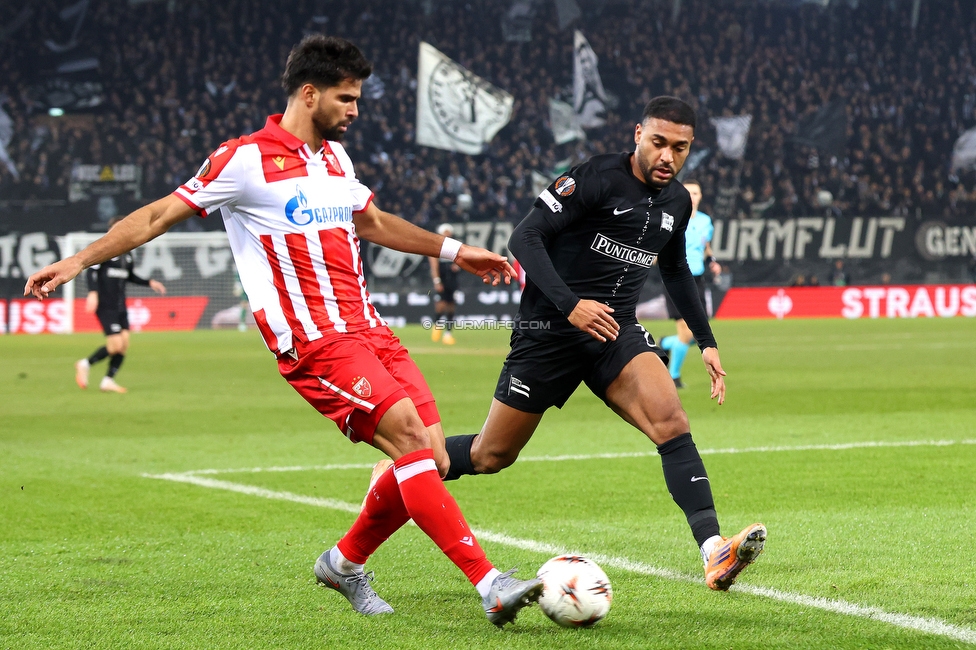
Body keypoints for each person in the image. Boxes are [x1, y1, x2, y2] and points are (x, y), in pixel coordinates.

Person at [26, 35, 543, 627]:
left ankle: (344, 563)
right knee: (405, 436)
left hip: (368, 328)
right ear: (308, 92)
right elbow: (155, 216)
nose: (355, 110)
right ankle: (490, 582)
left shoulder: (335, 159)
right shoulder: (243, 160)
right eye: (346, 98)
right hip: (313, 340)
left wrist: (456, 252)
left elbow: (371, 221)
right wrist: (78, 261)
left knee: (432, 455)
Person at [440, 97, 766, 592]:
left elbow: (675, 270)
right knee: (491, 455)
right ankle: (408, 466)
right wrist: (571, 305)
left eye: (679, 148)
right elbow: (524, 237)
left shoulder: (676, 202)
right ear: (638, 134)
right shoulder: (592, 178)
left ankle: (713, 550)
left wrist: (706, 341)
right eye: (658, 143)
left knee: (672, 422)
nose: (667, 157)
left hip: (615, 333)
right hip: (549, 332)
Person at [74, 216, 167, 394]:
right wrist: (93, 293)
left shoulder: (127, 254)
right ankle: (84, 364)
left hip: (120, 305)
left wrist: (149, 282)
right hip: (105, 304)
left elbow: (130, 276)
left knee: (124, 343)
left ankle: (107, 381)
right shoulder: (103, 250)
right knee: (115, 345)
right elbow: (90, 272)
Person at [658, 179, 722, 388]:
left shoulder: (705, 221)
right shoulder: (672, 218)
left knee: (698, 333)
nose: (692, 197)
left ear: (701, 196)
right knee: (686, 333)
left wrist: (711, 261)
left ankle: (665, 343)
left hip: (698, 279)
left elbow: (706, 246)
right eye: (688, 193)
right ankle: (673, 376)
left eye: (695, 193)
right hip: (677, 279)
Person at [428, 223, 461, 345]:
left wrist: (457, 266)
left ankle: (448, 334)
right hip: (442, 278)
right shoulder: (435, 246)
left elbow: (460, 260)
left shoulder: (455, 246)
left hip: (452, 279)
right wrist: (437, 280)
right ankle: (437, 325)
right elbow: (433, 265)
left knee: (451, 305)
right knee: (441, 304)